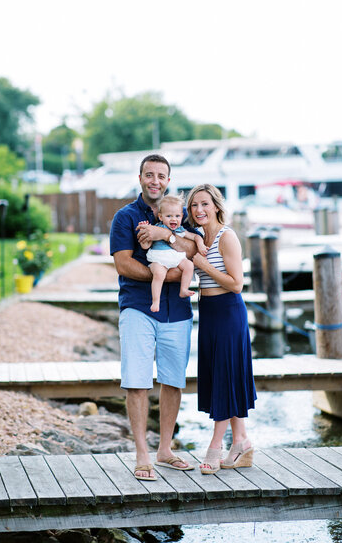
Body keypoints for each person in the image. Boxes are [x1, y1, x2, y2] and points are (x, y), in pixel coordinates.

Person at [110, 154, 200, 481]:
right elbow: (122, 264)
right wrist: (165, 276)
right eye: (149, 175)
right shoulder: (125, 217)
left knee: (173, 380)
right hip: (137, 307)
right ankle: (142, 454)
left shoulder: (180, 214)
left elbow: (194, 251)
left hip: (177, 311)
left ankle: (165, 450)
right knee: (137, 380)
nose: (155, 181)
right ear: (140, 178)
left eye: (161, 176)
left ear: (168, 180)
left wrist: (166, 236)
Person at [187, 184, 257, 474]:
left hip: (228, 311)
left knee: (225, 376)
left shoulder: (227, 237)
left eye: (204, 204)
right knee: (223, 376)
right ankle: (241, 441)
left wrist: (203, 264)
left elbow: (236, 283)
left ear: (216, 206)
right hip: (209, 313)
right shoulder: (199, 237)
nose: (199, 210)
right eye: (194, 206)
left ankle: (215, 446)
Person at [138, 194, 208, 312]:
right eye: (169, 216)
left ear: (181, 216)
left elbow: (196, 236)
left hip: (175, 258)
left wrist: (201, 244)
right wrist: (143, 231)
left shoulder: (180, 230)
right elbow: (146, 246)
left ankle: (184, 289)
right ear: (160, 217)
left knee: (189, 265)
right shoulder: (157, 228)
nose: (173, 219)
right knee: (159, 274)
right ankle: (155, 301)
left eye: (177, 216)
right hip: (158, 259)